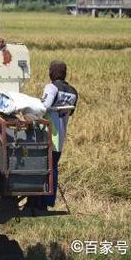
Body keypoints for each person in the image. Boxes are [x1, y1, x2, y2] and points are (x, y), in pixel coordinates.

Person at [39, 60, 78, 210]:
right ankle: (48, 201)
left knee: (42, 169)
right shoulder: (73, 91)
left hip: (47, 136)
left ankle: (38, 202)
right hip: (60, 138)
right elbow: (71, 112)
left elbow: (44, 106)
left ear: (52, 72)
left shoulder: (51, 87)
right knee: (53, 168)